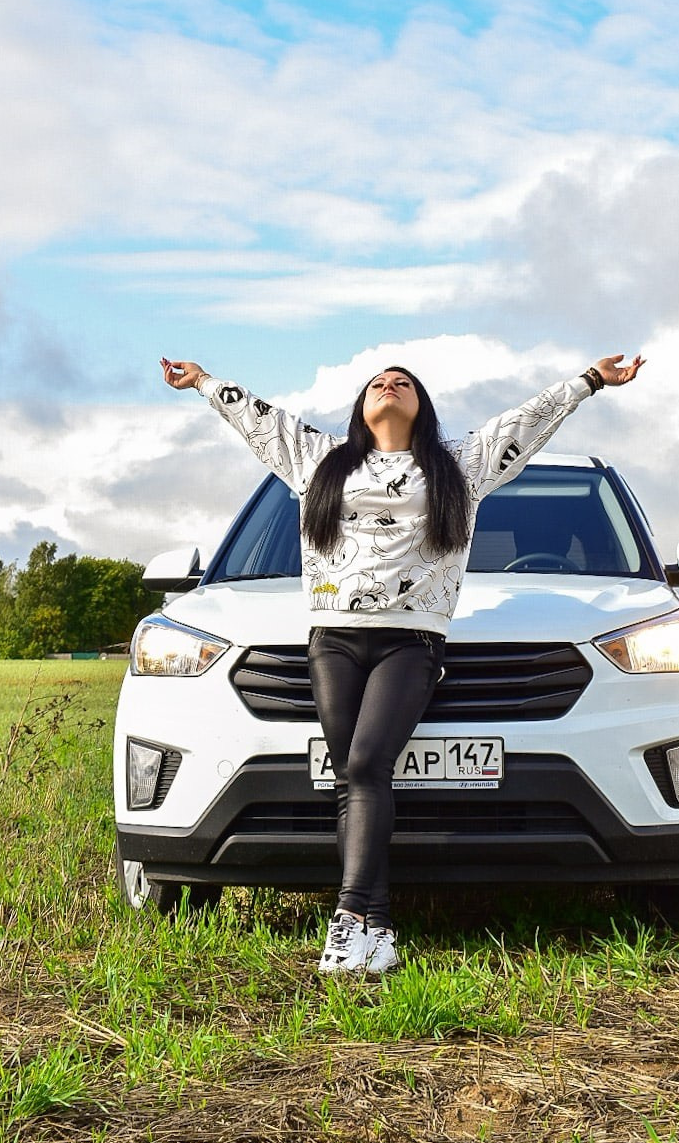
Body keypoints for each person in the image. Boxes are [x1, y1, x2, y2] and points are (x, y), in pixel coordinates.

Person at [161, 351, 644, 974]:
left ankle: (347, 915)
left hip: (409, 642)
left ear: (422, 405)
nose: (389, 386)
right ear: (362, 407)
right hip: (332, 638)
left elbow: (525, 423)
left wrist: (590, 382)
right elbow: (262, 424)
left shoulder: (458, 467)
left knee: (365, 762)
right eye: (377, 383)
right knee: (355, 779)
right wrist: (204, 382)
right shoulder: (323, 461)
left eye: (403, 382)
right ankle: (379, 927)